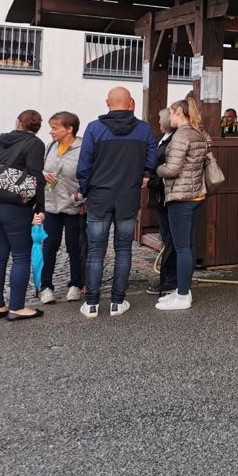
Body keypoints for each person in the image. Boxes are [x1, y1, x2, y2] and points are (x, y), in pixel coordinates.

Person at [76, 87, 157, 318]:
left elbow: (84, 165)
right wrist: (145, 175)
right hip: (128, 197)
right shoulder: (143, 129)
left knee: (95, 251)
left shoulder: (94, 128)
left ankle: (92, 304)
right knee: (123, 250)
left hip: (99, 197)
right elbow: (151, 160)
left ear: (107, 103)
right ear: (130, 104)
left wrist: (85, 190)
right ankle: (117, 302)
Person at [0, 109, 46, 321]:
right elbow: (36, 178)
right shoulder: (35, 143)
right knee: (21, 256)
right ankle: (17, 307)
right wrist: (40, 208)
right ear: (38, 127)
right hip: (14, 206)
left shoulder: (1, 141)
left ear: (18, 122)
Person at [154, 98, 211, 311]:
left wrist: (157, 169)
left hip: (180, 197)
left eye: (171, 112)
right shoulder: (199, 133)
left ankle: (183, 295)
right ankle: (182, 290)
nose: (169, 117)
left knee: (181, 248)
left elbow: (172, 169)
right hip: (196, 195)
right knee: (187, 246)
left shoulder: (181, 136)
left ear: (179, 112)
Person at [38, 111, 85, 304]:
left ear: (69, 129)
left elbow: (91, 177)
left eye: (55, 128)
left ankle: (76, 285)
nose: (50, 131)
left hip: (74, 206)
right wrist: (42, 175)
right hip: (51, 206)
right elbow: (41, 169)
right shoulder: (50, 146)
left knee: (74, 247)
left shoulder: (84, 148)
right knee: (49, 246)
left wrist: (78, 197)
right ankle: (46, 287)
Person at [145, 108, 177, 297]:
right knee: (167, 238)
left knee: (171, 239)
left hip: (166, 196)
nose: (158, 122)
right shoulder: (165, 139)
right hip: (160, 196)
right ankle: (168, 278)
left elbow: (167, 169)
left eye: (160, 119)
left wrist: (152, 177)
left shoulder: (172, 140)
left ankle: (169, 281)